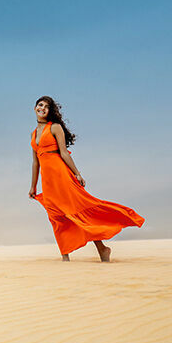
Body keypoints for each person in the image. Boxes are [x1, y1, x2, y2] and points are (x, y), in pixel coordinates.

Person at [29, 96, 145, 262]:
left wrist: (77, 173)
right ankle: (65, 256)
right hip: (47, 182)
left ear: (50, 111)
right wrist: (33, 186)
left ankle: (102, 249)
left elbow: (63, 153)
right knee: (56, 217)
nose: (42, 108)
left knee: (77, 212)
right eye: (40, 105)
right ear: (34, 108)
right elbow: (35, 163)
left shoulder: (54, 128)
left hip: (62, 176)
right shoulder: (33, 135)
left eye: (46, 107)